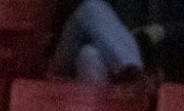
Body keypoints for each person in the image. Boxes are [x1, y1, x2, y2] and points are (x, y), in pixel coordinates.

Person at [52, 0, 184, 84]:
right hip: (70, 52)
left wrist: (163, 30)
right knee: (91, 5)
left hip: (119, 60)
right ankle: (132, 71)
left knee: (89, 55)